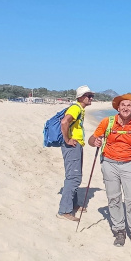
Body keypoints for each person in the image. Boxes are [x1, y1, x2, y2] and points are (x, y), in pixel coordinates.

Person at [89, 93, 131, 249]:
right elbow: (91, 140)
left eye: (129, 105)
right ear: (118, 107)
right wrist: (95, 141)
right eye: (123, 105)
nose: (126, 108)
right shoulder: (107, 122)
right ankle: (119, 230)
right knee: (114, 199)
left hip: (129, 164)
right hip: (109, 163)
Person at [55, 85, 94, 222]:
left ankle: (73, 204)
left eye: (91, 96)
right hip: (72, 146)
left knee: (74, 175)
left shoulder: (79, 109)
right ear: (81, 97)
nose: (91, 98)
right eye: (89, 96)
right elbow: (64, 122)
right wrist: (67, 139)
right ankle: (64, 210)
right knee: (74, 177)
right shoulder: (76, 108)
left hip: (75, 145)